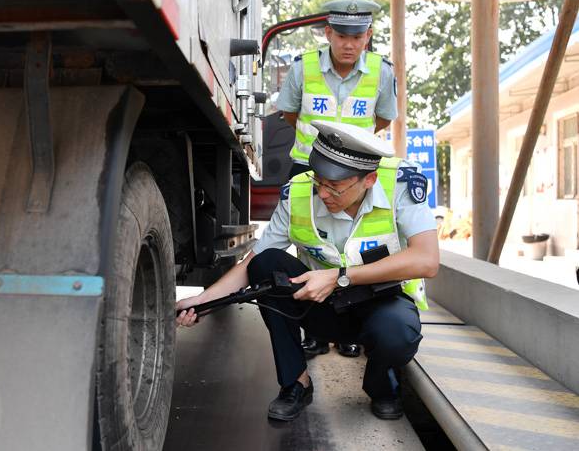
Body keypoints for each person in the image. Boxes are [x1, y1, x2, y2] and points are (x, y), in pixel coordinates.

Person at [176, 120, 439, 422]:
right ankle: (296, 383)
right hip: (324, 309)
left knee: (397, 333)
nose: (323, 194)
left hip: (383, 303)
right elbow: (254, 261)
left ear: (369, 180)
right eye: (319, 182)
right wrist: (205, 301)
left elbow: (427, 260)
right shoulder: (298, 194)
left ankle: (381, 386)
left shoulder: (400, 185)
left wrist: (340, 276)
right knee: (268, 263)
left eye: (335, 187)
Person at [276, 0, 399, 358]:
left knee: (351, 245)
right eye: (342, 35)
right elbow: (289, 114)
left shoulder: (382, 71)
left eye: (357, 36)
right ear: (328, 32)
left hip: (356, 174)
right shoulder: (303, 68)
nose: (349, 44)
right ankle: (314, 326)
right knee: (309, 245)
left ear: (368, 36)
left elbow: (383, 120)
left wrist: (351, 155)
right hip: (308, 169)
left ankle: (348, 326)